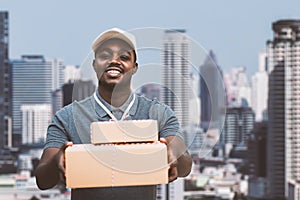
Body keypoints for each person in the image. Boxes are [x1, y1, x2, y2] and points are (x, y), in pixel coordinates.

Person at [35, 28, 192, 200]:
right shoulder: (67, 117)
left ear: (134, 68)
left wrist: (174, 153)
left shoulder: (158, 113)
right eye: (105, 56)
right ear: (95, 65)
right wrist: (59, 158)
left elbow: (184, 165)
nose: (114, 61)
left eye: (124, 57)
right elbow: (43, 181)